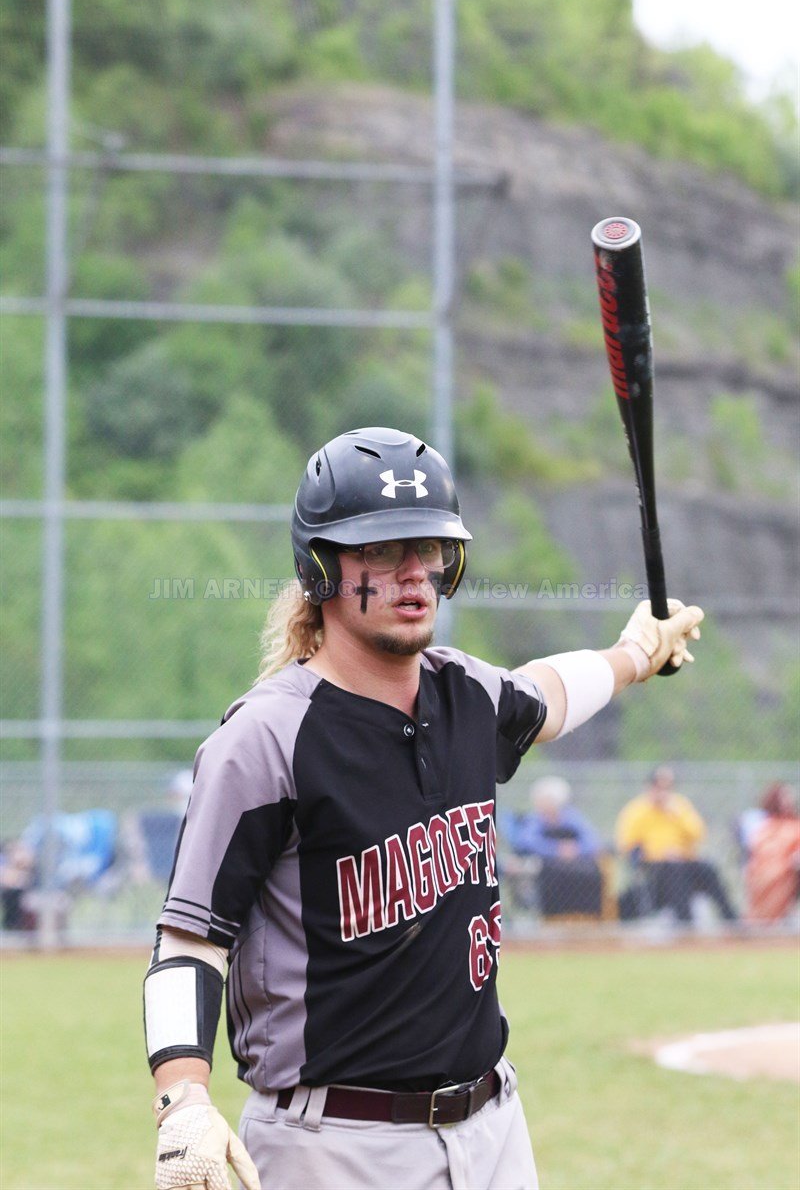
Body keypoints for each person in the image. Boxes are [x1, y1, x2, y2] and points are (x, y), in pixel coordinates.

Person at [143, 427, 704, 1190]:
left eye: (430, 547)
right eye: (379, 551)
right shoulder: (266, 738)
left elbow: (549, 692)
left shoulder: (465, 692)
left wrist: (636, 654)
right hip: (336, 1145)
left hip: (494, 1127)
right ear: (320, 568)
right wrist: (182, 1096)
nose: (413, 572)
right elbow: (189, 941)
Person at [615, 765, 737, 926]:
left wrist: (676, 814)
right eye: (659, 787)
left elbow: (698, 834)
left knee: (708, 869)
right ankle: (686, 925)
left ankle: (733, 921)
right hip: (654, 866)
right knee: (675, 870)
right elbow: (627, 845)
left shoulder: (679, 805)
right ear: (650, 787)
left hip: (685, 860)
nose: (663, 792)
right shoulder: (636, 810)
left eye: (668, 787)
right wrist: (659, 853)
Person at [505, 776, 604, 916]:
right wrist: (556, 850)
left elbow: (593, 841)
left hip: (576, 869)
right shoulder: (535, 820)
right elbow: (526, 842)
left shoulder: (572, 818)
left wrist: (575, 850)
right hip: (546, 869)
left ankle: (584, 913)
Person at [745, 782, 800, 923]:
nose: (790, 800)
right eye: (785, 797)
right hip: (764, 871)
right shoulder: (762, 826)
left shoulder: (794, 825)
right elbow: (758, 850)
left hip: (790, 871)